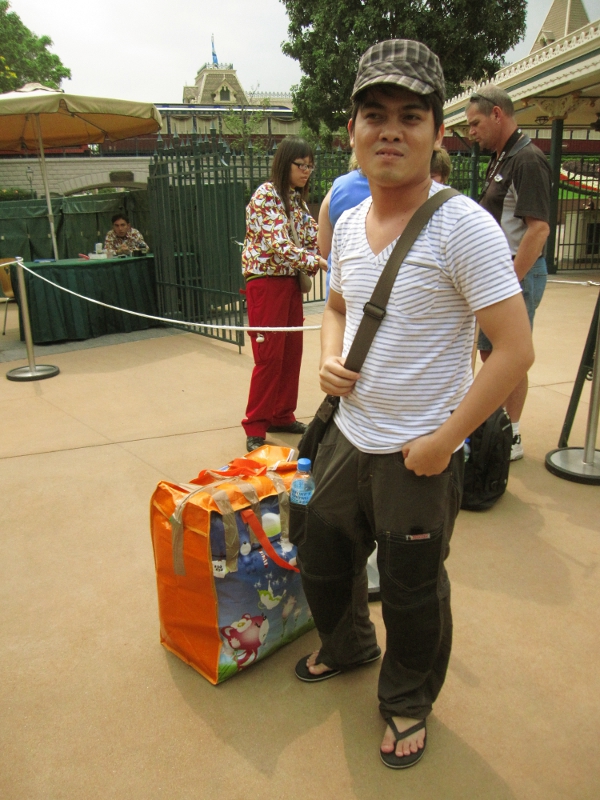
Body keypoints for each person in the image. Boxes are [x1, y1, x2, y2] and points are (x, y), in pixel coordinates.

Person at [291, 40, 534, 769]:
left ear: (437, 135)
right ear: (353, 132)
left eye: (410, 116)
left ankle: (405, 701)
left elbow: (514, 352)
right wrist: (330, 356)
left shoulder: (465, 227)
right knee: (322, 556)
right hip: (347, 438)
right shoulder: (353, 218)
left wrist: (444, 440)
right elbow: (337, 302)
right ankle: (347, 644)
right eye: (375, 115)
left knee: (411, 592)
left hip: (419, 457)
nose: (390, 130)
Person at [466, 86, 551, 460]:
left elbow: (538, 230)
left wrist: (509, 281)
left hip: (516, 275)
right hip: (498, 276)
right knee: (491, 354)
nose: (471, 132)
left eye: (475, 123)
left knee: (509, 354)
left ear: (497, 114)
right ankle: (499, 427)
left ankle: (511, 434)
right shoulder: (503, 157)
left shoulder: (527, 160)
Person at [241, 136, 328, 453]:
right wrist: (312, 260)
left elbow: (312, 235)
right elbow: (279, 243)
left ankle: (281, 414)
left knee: (291, 351)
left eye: (310, 165)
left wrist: (325, 250)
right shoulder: (267, 195)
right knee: (269, 356)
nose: (306, 171)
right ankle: (256, 423)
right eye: (300, 164)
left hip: (289, 283)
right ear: (284, 163)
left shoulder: (296, 200)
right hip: (266, 282)